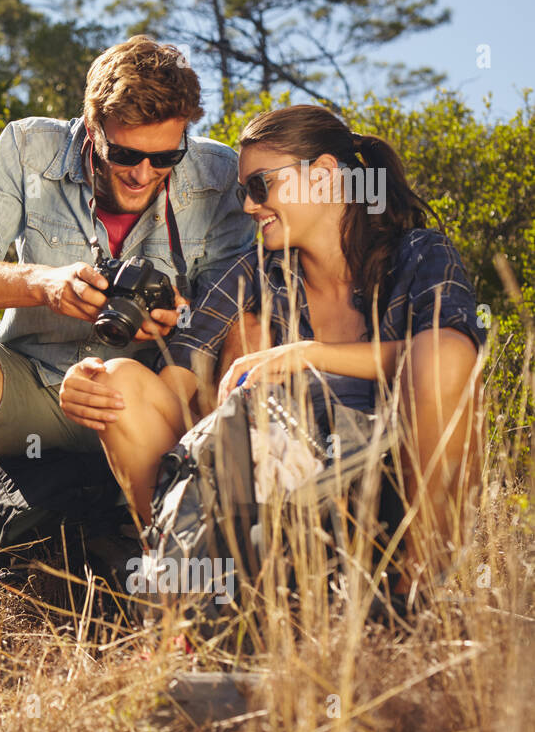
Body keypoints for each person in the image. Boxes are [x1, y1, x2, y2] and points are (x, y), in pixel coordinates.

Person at [0, 36, 257, 658]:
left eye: (165, 158)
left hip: (141, 408)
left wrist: (176, 319)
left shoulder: (216, 173)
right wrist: (42, 283)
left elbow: (244, 306)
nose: (144, 173)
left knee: (244, 325)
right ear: (93, 128)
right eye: (127, 152)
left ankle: (196, 581)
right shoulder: (30, 146)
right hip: (32, 395)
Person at [58, 104, 484, 596]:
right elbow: (179, 371)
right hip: (282, 502)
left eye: (261, 187)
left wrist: (308, 354)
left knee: (445, 355)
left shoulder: (420, 253)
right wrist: (94, 388)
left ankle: (418, 591)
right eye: (244, 192)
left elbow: (452, 358)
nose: (248, 207)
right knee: (119, 383)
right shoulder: (251, 272)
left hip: (395, 488)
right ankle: (197, 589)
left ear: (323, 176)